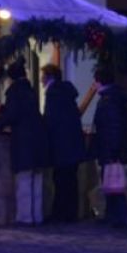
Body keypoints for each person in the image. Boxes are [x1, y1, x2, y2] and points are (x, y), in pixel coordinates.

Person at [0, 59, 49, 226]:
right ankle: (37, 215)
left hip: (24, 140)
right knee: (36, 179)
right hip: (38, 139)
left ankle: (25, 217)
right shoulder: (30, 90)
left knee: (24, 179)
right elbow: (23, 111)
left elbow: (13, 115)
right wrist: (5, 109)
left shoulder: (15, 91)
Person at [42, 64, 86, 223]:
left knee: (61, 180)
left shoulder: (53, 94)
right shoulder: (67, 92)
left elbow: (50, 120)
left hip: (61, 144)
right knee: (71, 179)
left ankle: (60, 213)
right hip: (72, 142)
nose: (41, 79)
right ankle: (71, 213)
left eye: (43, 76)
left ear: (49, 77)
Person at [92, 65, 127, 228]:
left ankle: (122, 216)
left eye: (95, 81)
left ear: (99, 81)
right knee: (111, 183)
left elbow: (114, 126)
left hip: (110, 148)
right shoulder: (114, 97)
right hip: (112, 146)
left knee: (114, 183)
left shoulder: (109, 100)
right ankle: (112, 215)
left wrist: (113, 150)